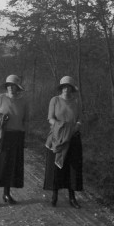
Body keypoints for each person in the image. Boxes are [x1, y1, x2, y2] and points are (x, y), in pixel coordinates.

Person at [0, 74, 30, 207]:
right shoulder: (0, 98)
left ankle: (7, 194)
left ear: (18, 88)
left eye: (13, 86)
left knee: (11, 166)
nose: (10, 88)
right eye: (8, 85)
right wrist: (1, 117)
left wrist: (25, 136)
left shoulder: (24, 102)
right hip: (1, 136)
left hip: (16, 136)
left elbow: (26, 120)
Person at [44, 76, 83, 208]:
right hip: (57, 137)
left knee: (72, 167)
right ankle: (54, 196)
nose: (66, 89)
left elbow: (79, 119)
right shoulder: (55, 100)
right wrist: (60, 127)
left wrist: (75, 128)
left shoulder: (76, 102)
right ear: (61, 88)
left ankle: (72, 198)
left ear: (72, 89)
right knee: (56, 167)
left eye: (69, 87)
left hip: (72, 137)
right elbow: (50, 118)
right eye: (64, 87)